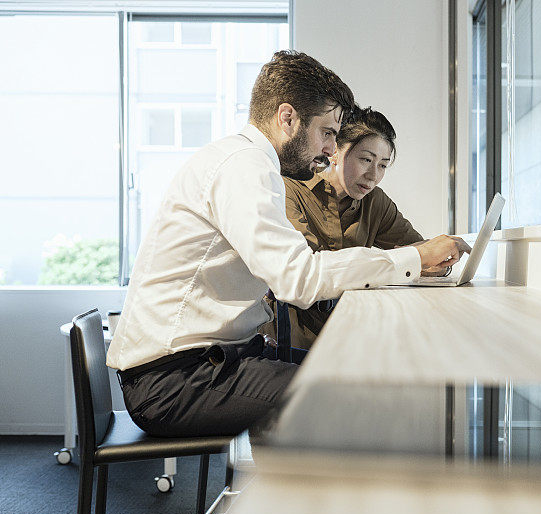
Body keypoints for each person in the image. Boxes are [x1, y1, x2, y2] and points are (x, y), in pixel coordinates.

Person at [106, 50, 470, 438]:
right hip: (174, 381)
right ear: (288, 118)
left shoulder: (245, 162)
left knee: (353, 377)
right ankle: (293, 496)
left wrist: (410, 257)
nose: (331, 149)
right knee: (346, 398)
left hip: (212, 360)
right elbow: (299, 279)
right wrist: (412, 257)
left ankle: (295, 491)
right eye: (328, 132)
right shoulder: (245, 167)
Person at [266, 106, 444, 350]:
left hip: (350, 333)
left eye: (383, 165)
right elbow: (311, 271)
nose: (373, 175)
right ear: (336, 151)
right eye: (366, 160)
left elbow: (420, 250)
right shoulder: (290, 190)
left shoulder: (374, 201)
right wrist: (412, 258)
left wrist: (440, 259)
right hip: (293, 342)